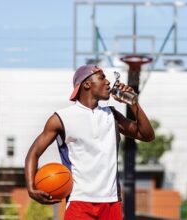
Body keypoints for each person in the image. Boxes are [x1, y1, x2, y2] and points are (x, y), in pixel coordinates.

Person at [25, 64, 155, 219]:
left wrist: (133, 103)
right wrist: (31, 188)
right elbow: (34, 153)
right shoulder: (61, 118)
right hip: (80, 202)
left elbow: (147, 135)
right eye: (102, 78)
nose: (108, 82)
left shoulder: (111, 115)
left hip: (112, 202)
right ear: (86, 84)